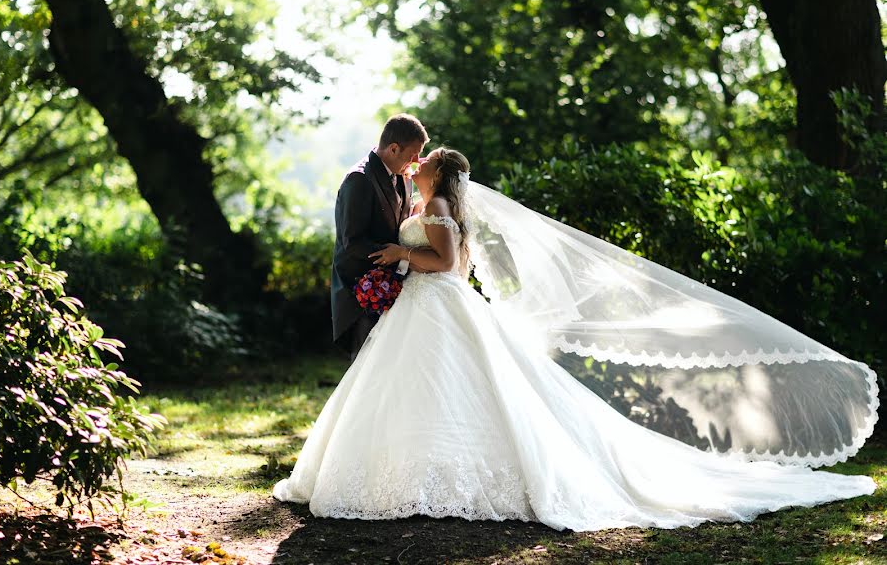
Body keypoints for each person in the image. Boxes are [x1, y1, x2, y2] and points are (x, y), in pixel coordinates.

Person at [275, 147, 878, 532]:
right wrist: (404, 260)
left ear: (436, 172)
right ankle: (410, 468)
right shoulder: (432, 199)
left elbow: (448, 261)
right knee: (424, 388)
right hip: (426, 308)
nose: (420, 164)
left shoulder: (433, 204)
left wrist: (401, 255)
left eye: (426, 161)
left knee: (449, 386)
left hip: (437, 305)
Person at [330, 114, 428, 361]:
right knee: (365, 364)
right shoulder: (359, 179)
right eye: (413, 155)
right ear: (394, 148)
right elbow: (352, 242)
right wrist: (397, 258)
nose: (417, 162)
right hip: (362, 290)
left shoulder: (402, 175)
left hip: (396, 286)